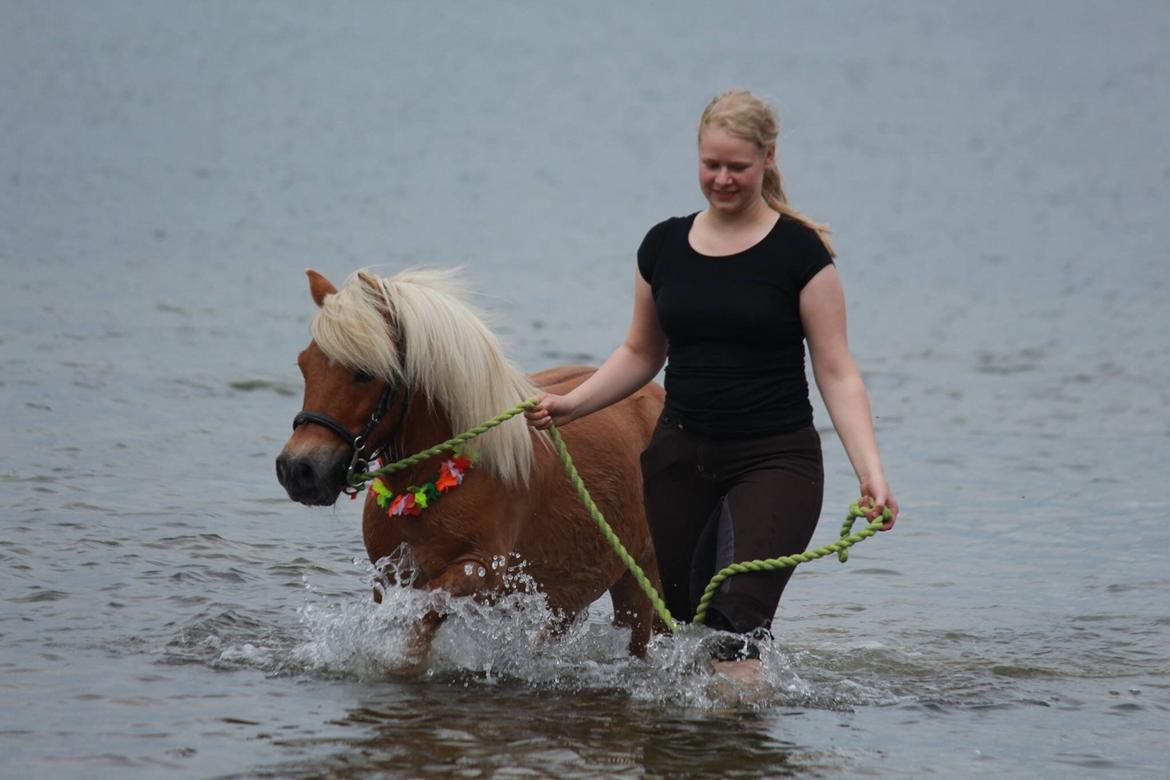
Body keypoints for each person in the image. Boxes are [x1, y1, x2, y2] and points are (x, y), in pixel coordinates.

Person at [526, 89, 897, 680]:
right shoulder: (663, 246)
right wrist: (571, 403)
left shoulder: (802, 254)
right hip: (680, 457)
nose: (722, 179)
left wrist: (870, 470)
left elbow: (836, 370)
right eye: (711, 165)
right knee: (683, 632)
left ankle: (738, 745)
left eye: (737, 168)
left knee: (735, 630)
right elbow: (641, 352)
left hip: (776, 460)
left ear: (768, 159)